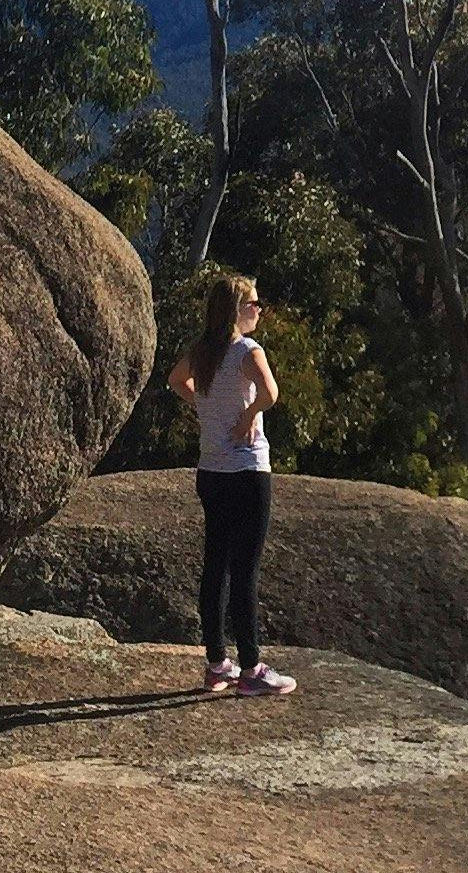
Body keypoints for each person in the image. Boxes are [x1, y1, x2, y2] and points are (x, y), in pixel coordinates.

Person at [167, 271, 295, 696]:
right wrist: (246, 415)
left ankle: (216, 661)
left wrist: (206, 408)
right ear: (236, 310)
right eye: (253, 304)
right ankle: (252, 668)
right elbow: (271, 394)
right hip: (247, 469)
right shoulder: (247, 350)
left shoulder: (203, 352)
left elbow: (175, 381)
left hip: (211, 472)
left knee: (215, 565)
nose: (258, 310)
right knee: (245, 571)